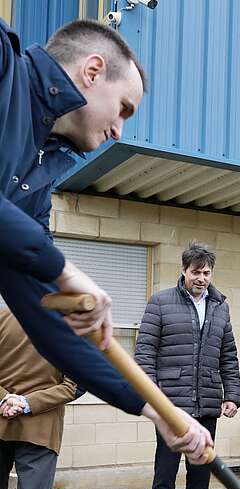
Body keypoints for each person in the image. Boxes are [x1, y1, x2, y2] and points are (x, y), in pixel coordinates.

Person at [0, 18, 210, 459]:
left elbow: (49, 320)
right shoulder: (3, 63)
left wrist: (157, 411)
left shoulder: (34, 182)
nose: (119, 130)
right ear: (92, 71)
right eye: (124, 109)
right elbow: (44, 264)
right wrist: (64, 269)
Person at [135, 243, 240, 489]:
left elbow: (228, 355)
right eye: (196, 272)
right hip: (171, 408)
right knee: (165, 476)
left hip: (207, 405)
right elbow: (144, 354)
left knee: (200, 475)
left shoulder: (221, 306)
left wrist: (232, 395)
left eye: (207, 273)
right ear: (184, 270)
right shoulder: (160, 303)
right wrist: (153, 398)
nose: (202, 278)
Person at [0, 308, 78, 489]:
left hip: (0, 418)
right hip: (41, 429)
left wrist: (6, 400)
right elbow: (73, 386)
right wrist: (27, 403)